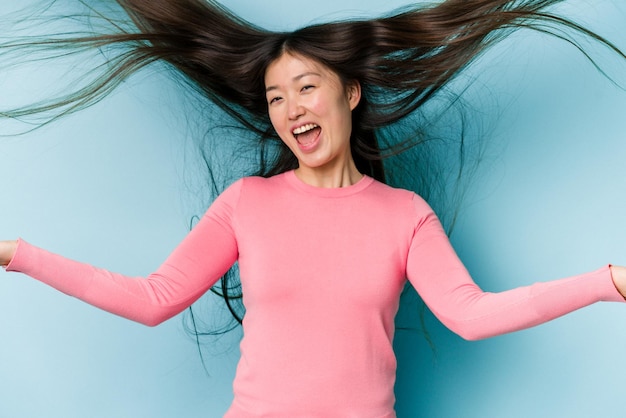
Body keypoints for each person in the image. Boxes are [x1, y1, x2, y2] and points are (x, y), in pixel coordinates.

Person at [1, 0, 625, 416]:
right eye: (276, 98)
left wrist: (608, 284)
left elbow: (473, 314)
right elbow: (152, 297)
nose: (291, 108)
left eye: (306, 88)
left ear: (350, 94)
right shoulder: (248, 203)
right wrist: (15, 254)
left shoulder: (404, 215)